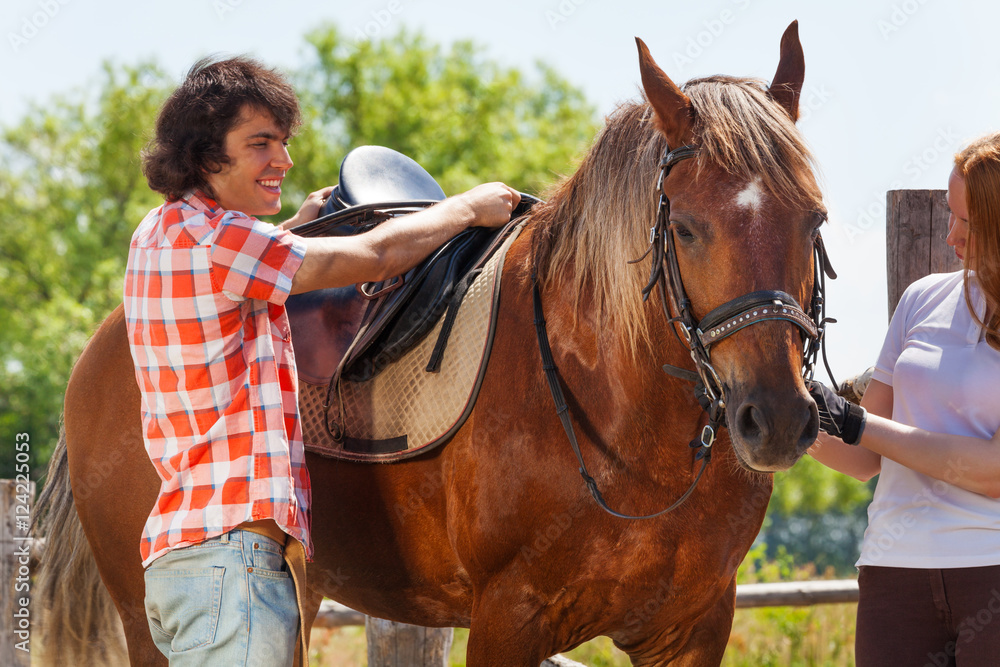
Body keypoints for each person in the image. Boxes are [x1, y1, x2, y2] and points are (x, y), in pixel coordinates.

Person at [124, 56, 519, 666]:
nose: (281, 160)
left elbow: (235, 276)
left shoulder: (158, 232)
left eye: (283, 143)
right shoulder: (219, 241)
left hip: (185, 561)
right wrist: (466, 208)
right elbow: (372, 255)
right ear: (206, 156)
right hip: (236, 565)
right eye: (260, 144)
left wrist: (296, 227)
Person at [808, 132, 1000, 666]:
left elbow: (991, 473)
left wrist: (857, 423)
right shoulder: (920, 300)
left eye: (969, 222)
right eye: (949, 212)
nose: (951, 235)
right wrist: (795, 420)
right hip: (895, 572)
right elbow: (868, 459)